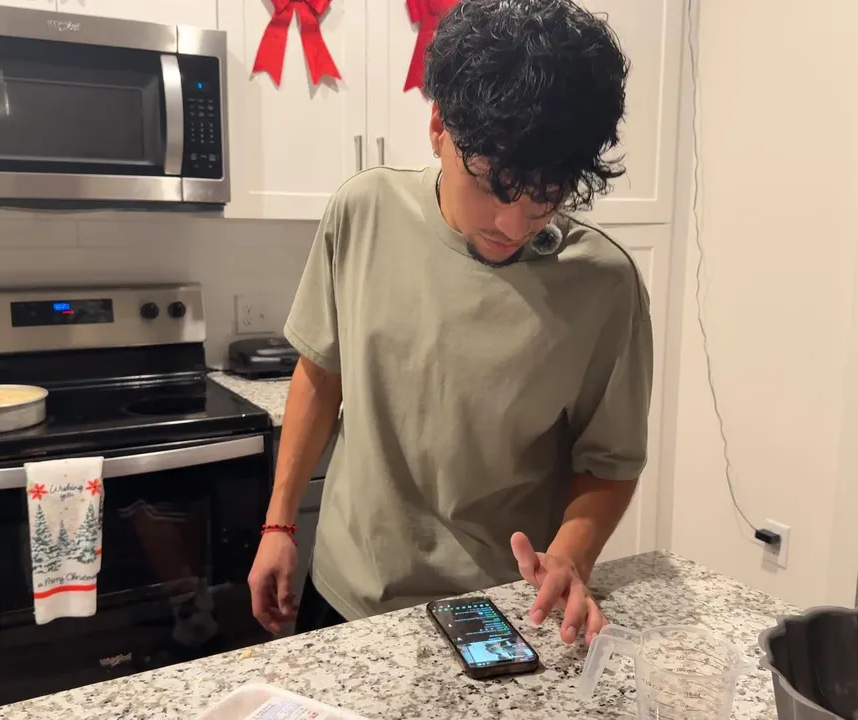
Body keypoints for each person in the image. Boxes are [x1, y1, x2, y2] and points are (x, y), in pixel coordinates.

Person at [247, 0, 651, 647]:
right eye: (491, 184)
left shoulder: (603, 283)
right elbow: (321, 375)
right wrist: (279, 524)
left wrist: (570, 557)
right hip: (348, 588)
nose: (514, 224)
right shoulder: (363, 211)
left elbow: (610, 460)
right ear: (438, 126)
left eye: (546, 195)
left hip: (498, 607)